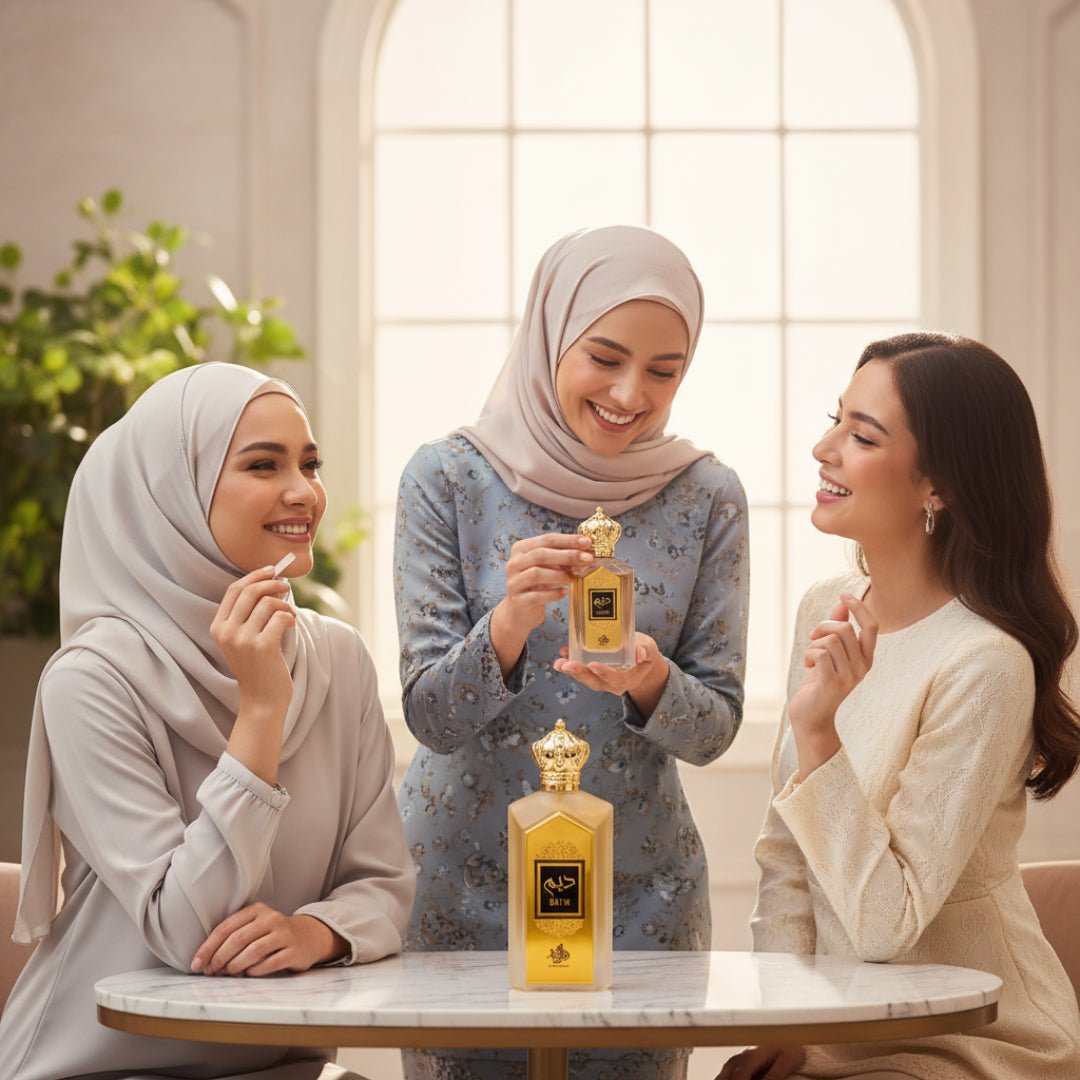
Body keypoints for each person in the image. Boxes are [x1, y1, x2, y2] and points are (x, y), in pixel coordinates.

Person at [394, 225, 749, 1079]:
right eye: (605, 356)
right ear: (550, 334)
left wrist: (653, 681)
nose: (632, 392)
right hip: (463, 889)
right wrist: (510, 623)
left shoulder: (708, 497)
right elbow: (431, 720)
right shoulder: (445, 479)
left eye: (665, 372)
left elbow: (716, 732)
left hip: (642, 896)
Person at [0, 362, 415, 1080]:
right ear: (174, 493)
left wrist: (315, 932)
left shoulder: (338, 659)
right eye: (263, 464)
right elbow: (182, 929)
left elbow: (383, 883)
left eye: (309, 464)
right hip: (96, 1065)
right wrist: (259, 710)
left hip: (278, 1065)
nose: (303, 491)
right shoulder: (92, 680)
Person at [721, 332, 1080, 1080]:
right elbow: (787, 852)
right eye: (836, 419)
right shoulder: (827, 607)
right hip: (836, 1035)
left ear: (937, 486)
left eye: (861, 435)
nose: (824, 448)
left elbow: (888, 926)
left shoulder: (985, 663)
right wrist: (779, 1019)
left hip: (969, 1042)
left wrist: (818, 736)